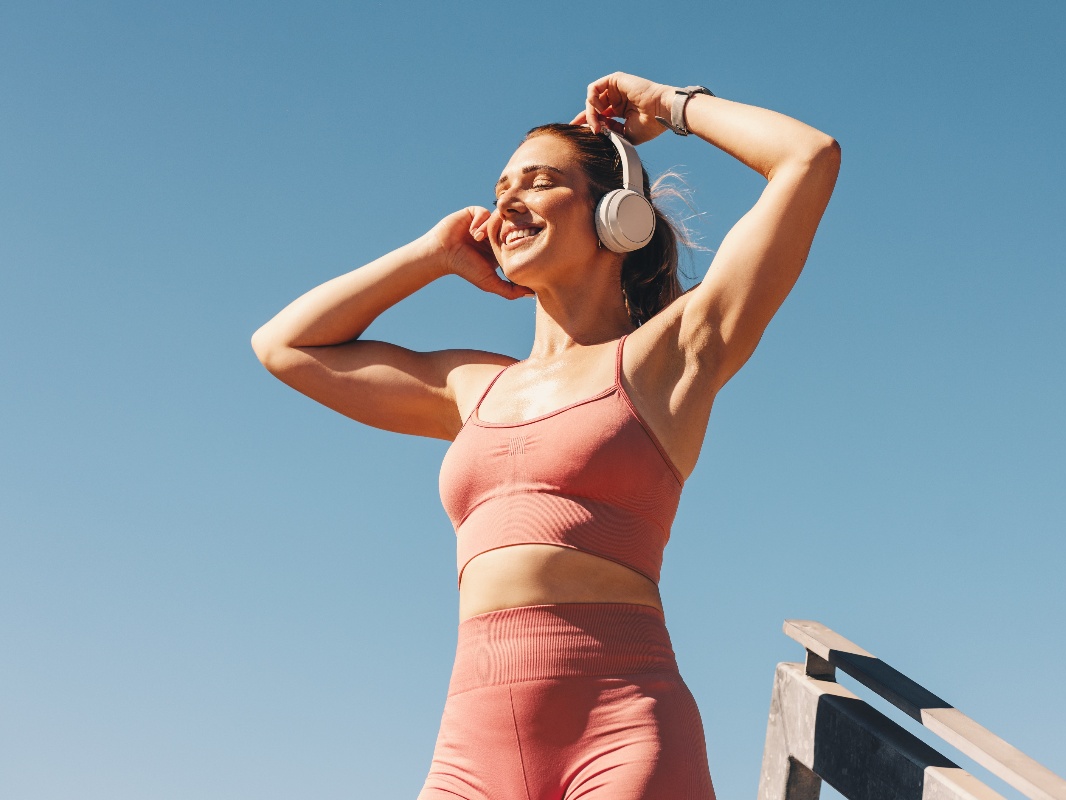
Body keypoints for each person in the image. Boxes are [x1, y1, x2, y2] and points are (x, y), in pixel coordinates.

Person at [251, 72, 840, 800]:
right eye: (501, 190)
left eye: (537, 182)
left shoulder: (666, 358)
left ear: (615, 217)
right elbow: (284, 347)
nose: (507, 202)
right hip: (470, 748)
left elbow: (808, 158)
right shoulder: (471, 386)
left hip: (621, 731)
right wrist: (431, 254)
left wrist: (668, 105)